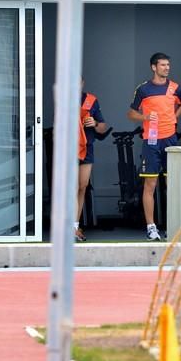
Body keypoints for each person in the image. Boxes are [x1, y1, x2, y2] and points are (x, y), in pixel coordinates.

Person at [127, 52, 181, 241]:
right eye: (163, 65)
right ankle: (151, 228)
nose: (167, 68)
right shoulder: (143, 89)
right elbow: (130, 113)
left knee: (173, 185)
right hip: (151, 141)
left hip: (170, 140)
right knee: (150, 185)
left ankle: (173, 227)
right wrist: (144, 117)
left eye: (168, 65)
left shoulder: (175, 88)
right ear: (154, 67)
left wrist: (175, 116)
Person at [75, 79, 107, 241]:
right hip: (68, 149)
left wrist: (94, 123)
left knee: (82, 186)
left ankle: (74, 226)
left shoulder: (91, 100)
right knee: (70, 188)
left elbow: (103, 127)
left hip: (87, 148)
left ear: (82, 83)